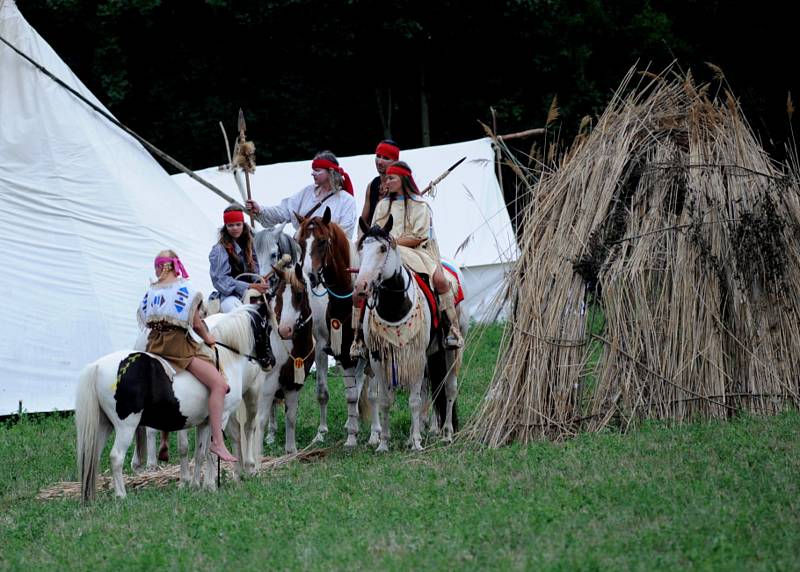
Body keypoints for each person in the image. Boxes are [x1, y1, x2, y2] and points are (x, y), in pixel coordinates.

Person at [137, 250, 237, 462]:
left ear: (159, 268)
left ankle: (164, 440)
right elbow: (196, 323)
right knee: (219, 384)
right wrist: (208, 337)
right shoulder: (185, 290)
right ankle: (217, 442)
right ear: (175, 266)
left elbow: (145, 321)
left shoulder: (151, 292)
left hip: (154, 346)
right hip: (178, 348)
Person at [361, 161, 464, 349]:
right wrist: (386, 244)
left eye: (392, 178)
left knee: (441, 281)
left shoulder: (420, 205)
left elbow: (419, 237)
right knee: (362, 284)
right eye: (387, 178)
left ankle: (452, 329)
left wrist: (395, 242)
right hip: (386, 252)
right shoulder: (383, 205)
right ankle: (359, 338)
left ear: (403, 180)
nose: (387, 181)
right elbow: (375, 231)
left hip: (417, 253)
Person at [246, 150, 357, 238]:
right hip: (302, 254)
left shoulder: (346, 200)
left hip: (330, 259)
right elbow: (283, 211)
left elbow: (344, 234)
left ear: (331, 172)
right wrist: (260, 210)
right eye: (313, 170)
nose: (312, 173)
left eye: (317, 170)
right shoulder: (308, 192)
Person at [209, 205, 269, 312]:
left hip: (252, 291)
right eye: (230, 225)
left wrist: (260, 281)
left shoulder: (251, 245)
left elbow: (256, 270)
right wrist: (250, 286)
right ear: (225, 227)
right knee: (239, 312)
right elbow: (221, 280)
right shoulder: (219, 250)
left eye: (238, 224)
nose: (235, 228)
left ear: (243, 225)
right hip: (229, 297)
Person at [359, 139, 400, 230]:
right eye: (378, 156)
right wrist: (361, 239)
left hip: (395, 240)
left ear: (395, 162)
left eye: (386, 158)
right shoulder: (372, 186)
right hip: (371, 239)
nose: (380, 162)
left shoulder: (401, 187)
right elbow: (363, 222)